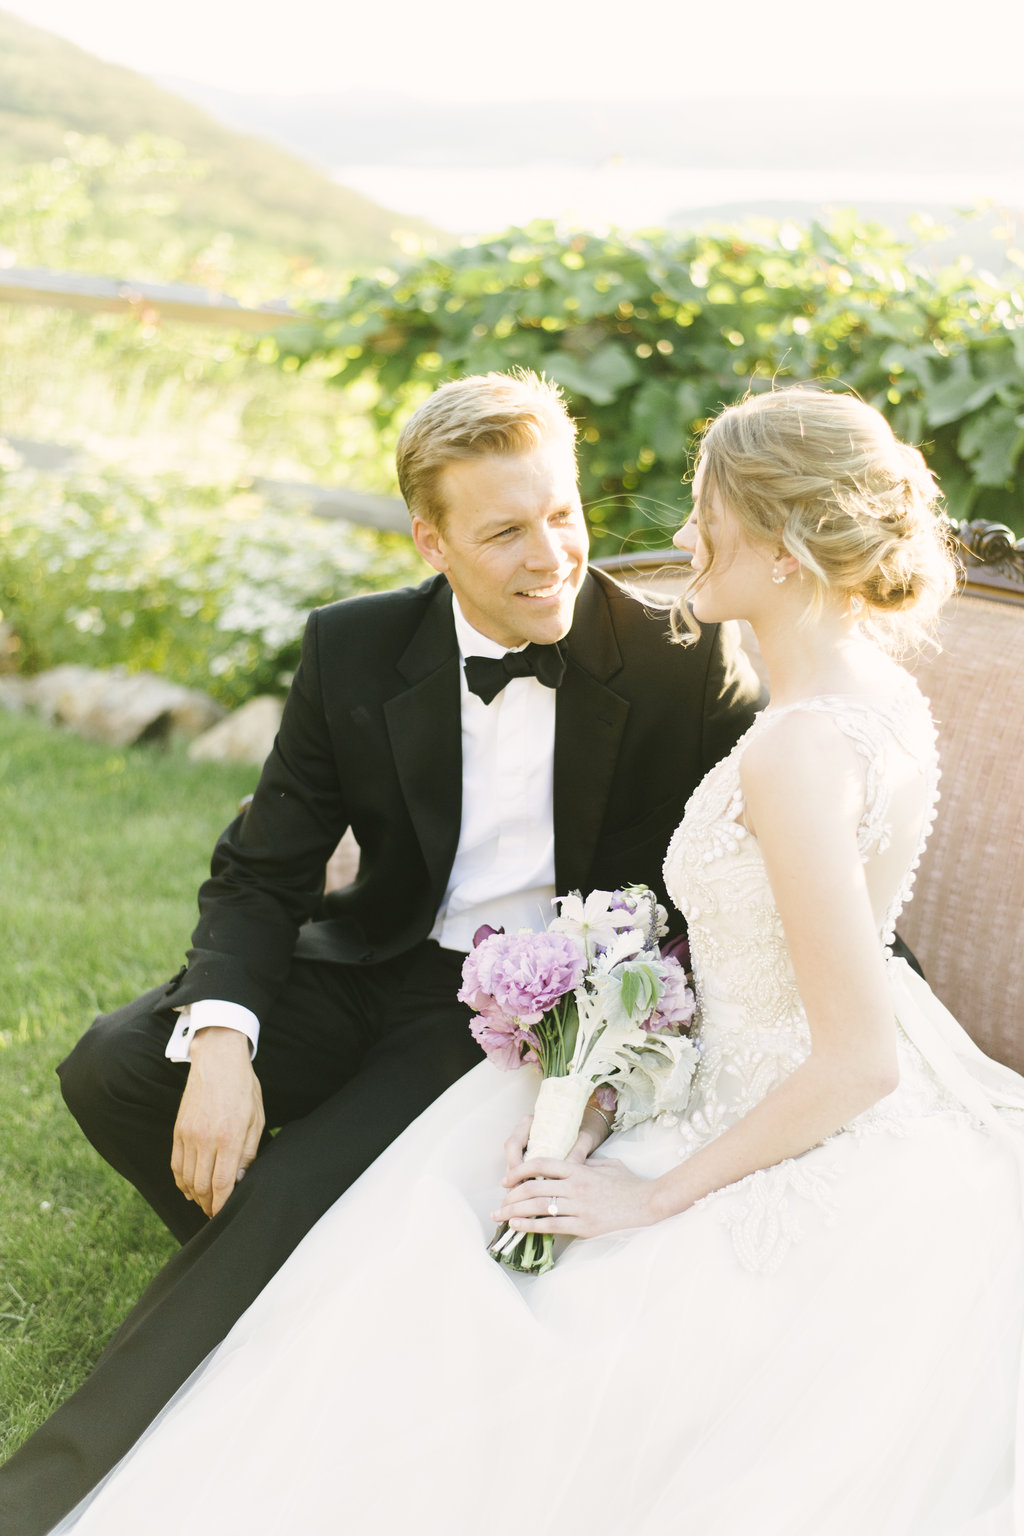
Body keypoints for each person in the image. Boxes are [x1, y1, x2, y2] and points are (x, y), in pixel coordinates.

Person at [31, 383, 1024, 1536]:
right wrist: (219, 1041)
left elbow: (794, 892)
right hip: (375, 956)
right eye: (504, 531)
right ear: (431, 540)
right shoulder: (353, 646)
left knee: (295, 1205)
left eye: (564, 515)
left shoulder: (679, 658)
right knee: (115, 1068)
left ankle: (74, 1466)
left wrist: (858, 1015)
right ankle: (298, 1277)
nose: (553, 554)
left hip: (522, 1015)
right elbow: (263, 870)